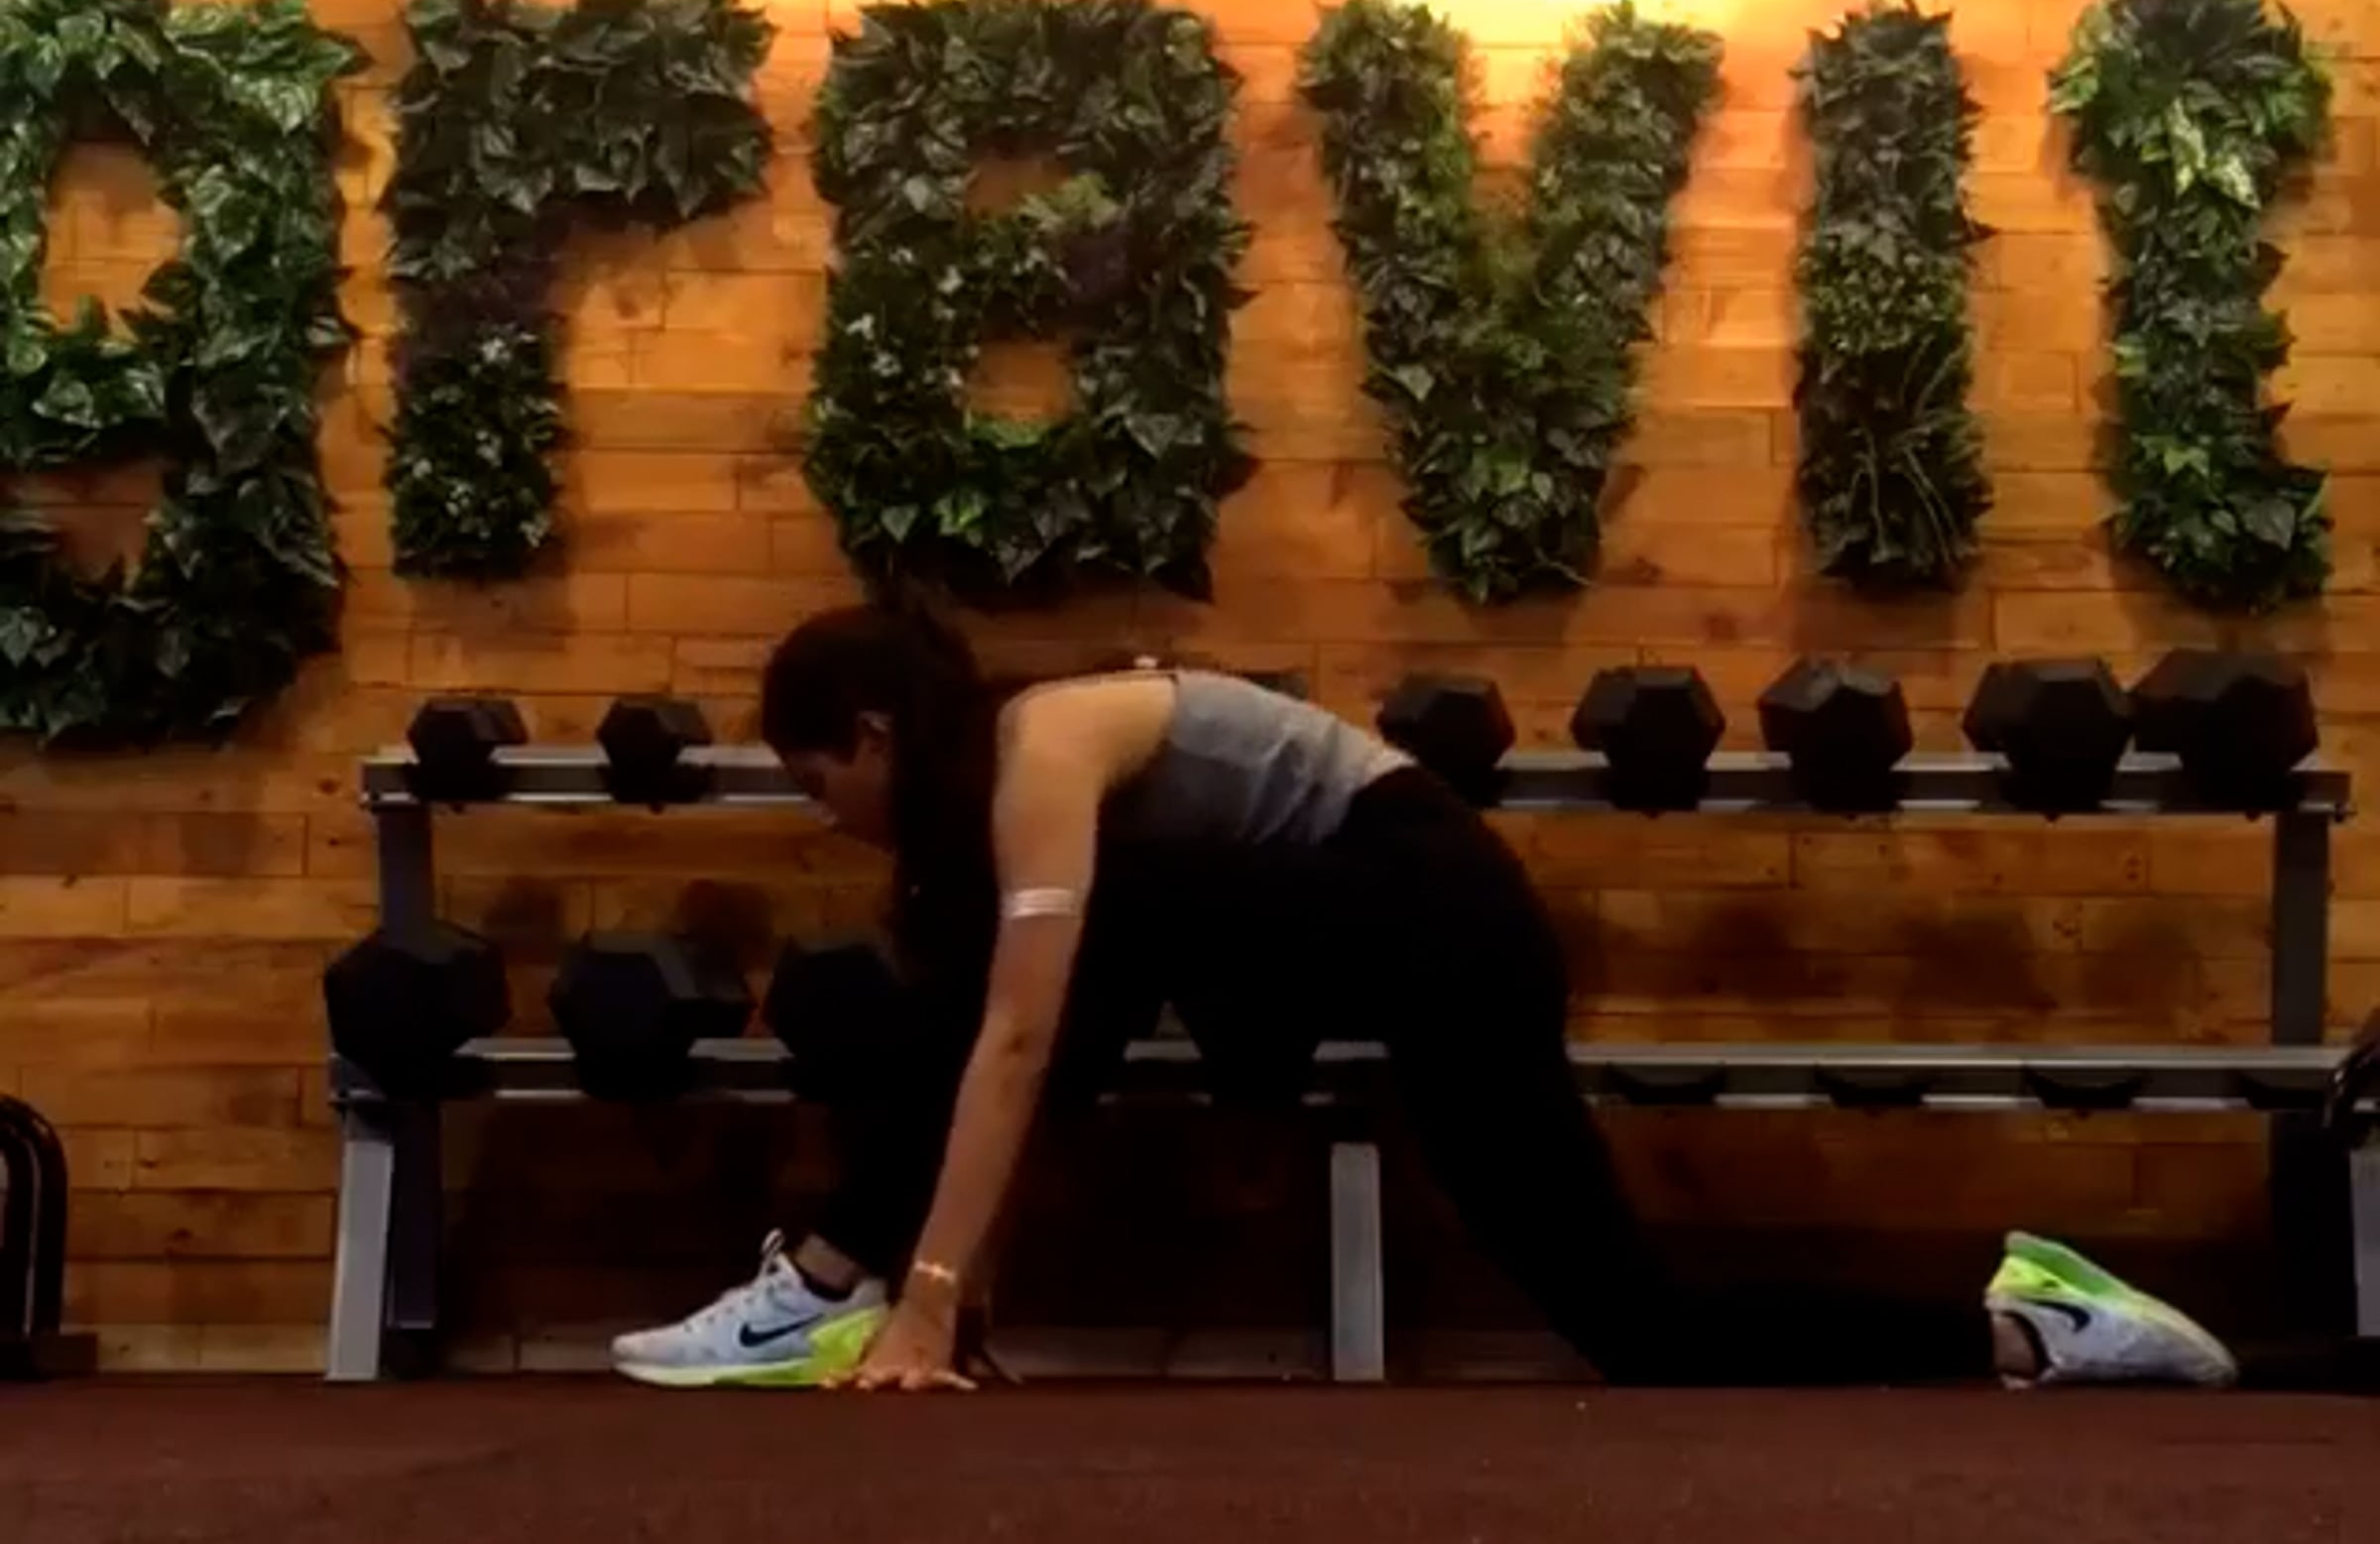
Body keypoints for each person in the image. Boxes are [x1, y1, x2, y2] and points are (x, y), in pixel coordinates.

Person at [611, 602, 2238, 1396]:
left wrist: (926, 1295)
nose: (823, 810)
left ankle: (836, 1278)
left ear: (874, 733)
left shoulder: (1044, 748)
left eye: (815, 776)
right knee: (1641, 1337)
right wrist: (964, 1291)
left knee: (1049, 969)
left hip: (1431, 906)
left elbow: (1028, 1039)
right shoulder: (1022, 799)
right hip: (1384, 930)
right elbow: (1046, 1034)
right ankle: (2027, 1329)